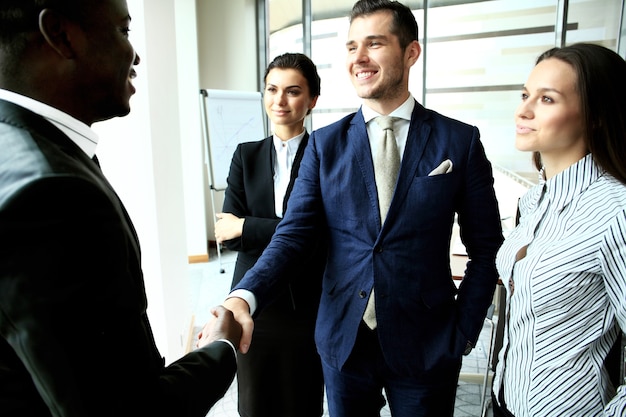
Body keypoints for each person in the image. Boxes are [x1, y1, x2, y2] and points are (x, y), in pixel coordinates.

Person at [219, 0, 503, 416]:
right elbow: (293, 235)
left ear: (411, 53)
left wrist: (464, 329)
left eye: (374, 44)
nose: (359, 59)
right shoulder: (324, 145)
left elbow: (486, 246)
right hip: (344, 342)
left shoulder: (458, 141)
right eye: (352, 47)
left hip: (427, 342)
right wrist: (245, 296)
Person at [0, 1, 242, 416]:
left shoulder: (25, 149)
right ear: (60, 34)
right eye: (124, 31)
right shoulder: (51, 194)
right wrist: (222, 347)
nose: (137, 54)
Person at [491, 43, 626, 417]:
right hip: (505, 401)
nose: (524, 110)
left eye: (547, 99)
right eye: (525, 95)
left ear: (595, 115)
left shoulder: (616, 211)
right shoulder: (532, 202)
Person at [214, 52, 326, 417]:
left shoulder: (326, 155)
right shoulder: (245, 156)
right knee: (255, 401)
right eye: (271, 89)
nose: (279, 101)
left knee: (302, 398)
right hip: (252, 300)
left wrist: (247, 225)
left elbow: (323, 233)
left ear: (312, 100)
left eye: (292, 91)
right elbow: (226, 234)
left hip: (308, 301)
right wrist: (294, 230)